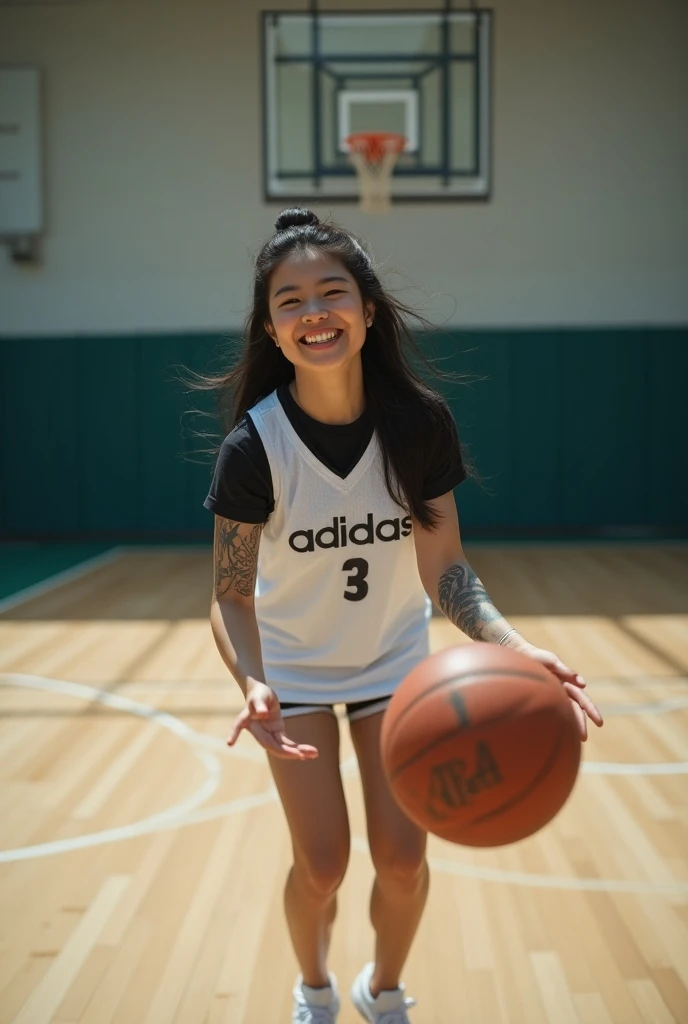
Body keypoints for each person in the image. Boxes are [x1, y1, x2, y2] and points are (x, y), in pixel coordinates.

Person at [204, 208, 603, 1024]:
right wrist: (252, 683)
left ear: (369, 310)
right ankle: (313, 986)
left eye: (332, 292)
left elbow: (446, 568)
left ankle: (382, 992)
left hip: (393, 667)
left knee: (404, 861)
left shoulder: (417, 426)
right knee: (322, 866)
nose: (314, 311)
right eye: (290, 300)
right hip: (295, 674)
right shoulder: (257, 446)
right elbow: (230, 594)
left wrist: (520, 650)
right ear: (272, 329)